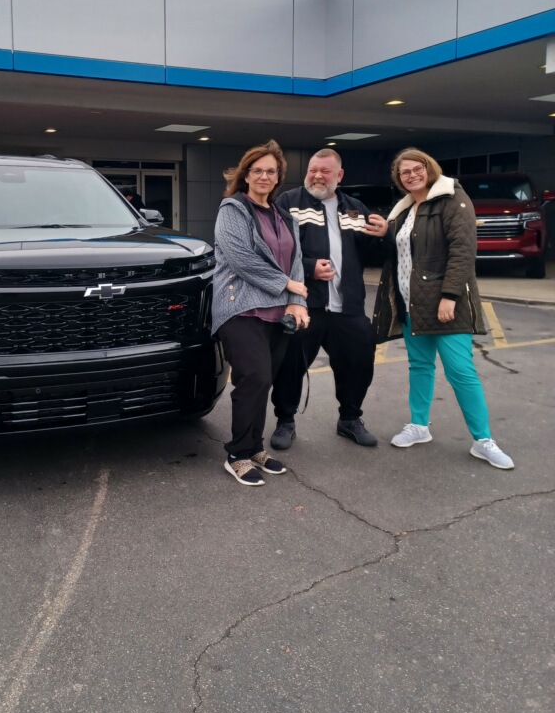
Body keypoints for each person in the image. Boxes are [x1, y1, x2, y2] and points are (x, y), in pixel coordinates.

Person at [372, 149, 514, 469]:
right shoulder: (405, 210)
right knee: (419, 367)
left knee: (461, 372)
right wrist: (385, 232)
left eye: (416, 169)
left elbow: (463, 250)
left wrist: (449, 295)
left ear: (429, 168)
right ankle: (419, 426)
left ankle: (483, 440)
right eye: (404, 172)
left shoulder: (453, 199)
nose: (411, 175)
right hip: (411, 304)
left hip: (445, 305)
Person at [270, 148, 389, 450]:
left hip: (348, 306)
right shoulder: (288, 203)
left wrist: (383, 235)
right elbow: (277, 249)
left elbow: (371, 255)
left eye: (325, 171)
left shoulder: (354, 208)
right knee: (290, 365)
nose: (318, 176)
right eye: (313, 170)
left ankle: (349, 419)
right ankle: (285, 420)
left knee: (359, 362)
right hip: (305, 304)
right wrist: (310, 267)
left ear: (340, 175)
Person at [212, 140, 309, 486]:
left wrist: (298, 302)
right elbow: (243, 260)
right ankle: (237, 454)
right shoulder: (233, 210)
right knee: (252, 378)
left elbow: (296, 259)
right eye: (257, 171)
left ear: (279, 176)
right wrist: (289, 285)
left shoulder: (285, 216)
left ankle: (255, 447)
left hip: (277, 312)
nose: (264, 176)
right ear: (246, 175)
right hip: (240, 309)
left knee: (264, 381)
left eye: (271, 171)